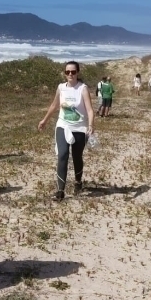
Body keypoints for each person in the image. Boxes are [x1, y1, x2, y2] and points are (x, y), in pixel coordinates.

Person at [38, 61, 95, 201]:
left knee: (77, 156)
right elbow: (54, 105)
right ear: (64, 73)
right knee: (62, 154)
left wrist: (91, 125)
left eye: (73, 72)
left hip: (80, 128)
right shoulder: (61, 88)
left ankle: (78, 181)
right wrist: (44, 120)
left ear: (78, 73)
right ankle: (60, 191)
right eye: (67, 72)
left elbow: (89, 110)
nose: (70, 74)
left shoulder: (83, 89)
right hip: (63, 125)